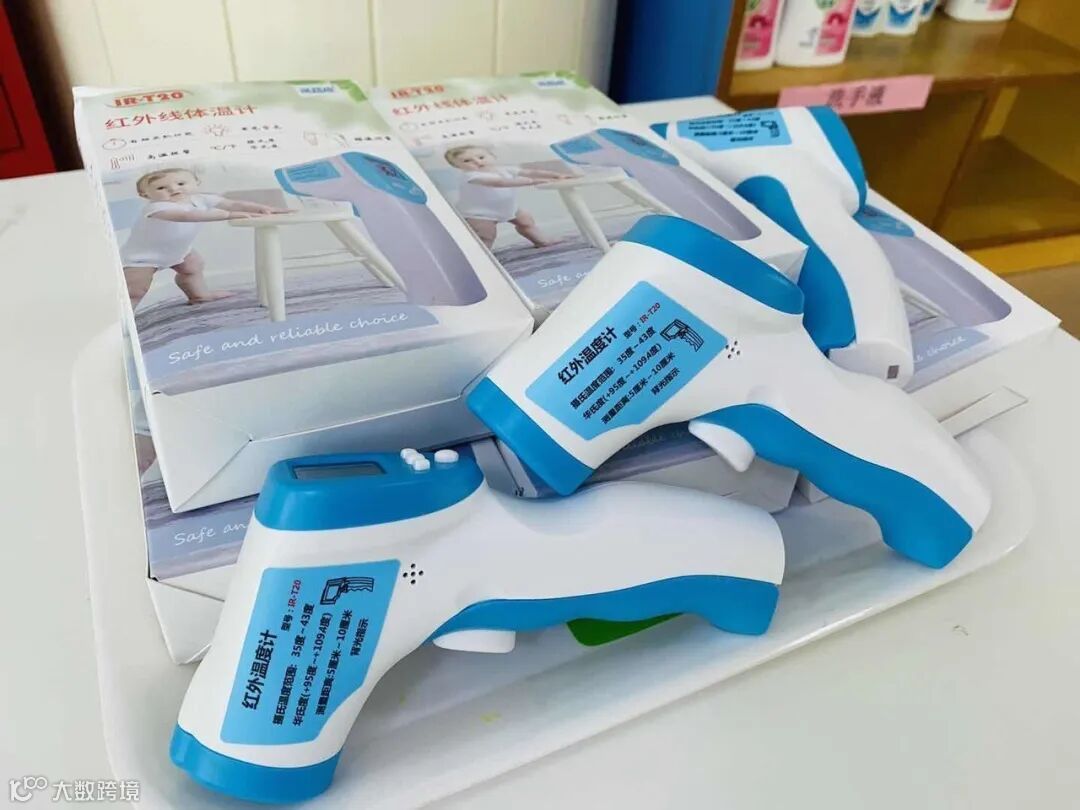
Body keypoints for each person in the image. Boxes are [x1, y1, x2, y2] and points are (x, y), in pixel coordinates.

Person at [121, 168, 288, 308]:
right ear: (145, 194)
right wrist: (228, 215)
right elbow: (187, 216)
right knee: (135, 290)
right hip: (143, 258)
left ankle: (199, 296)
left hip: (178, 251)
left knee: (193, 268)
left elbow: (233, 204)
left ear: (196, 183)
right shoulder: (156, 208)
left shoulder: (201, 199)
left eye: (181, 184)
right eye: (161, 188)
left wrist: (261, 208)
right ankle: (124, 318)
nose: (173, 189)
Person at [444, 145, 574, 249]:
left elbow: (530, 172)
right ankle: (483, 256)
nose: (477, 162)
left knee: (526, 222)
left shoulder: (503, 169)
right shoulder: (471, 176)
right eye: (467, 161)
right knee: (486, 235)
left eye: (481, 157)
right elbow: (500, 183)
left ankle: (542, 241)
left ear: (492, 156)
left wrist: (555, 175)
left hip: (508, 207)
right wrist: (534, 181)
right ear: (457, 166)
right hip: (480, 213)